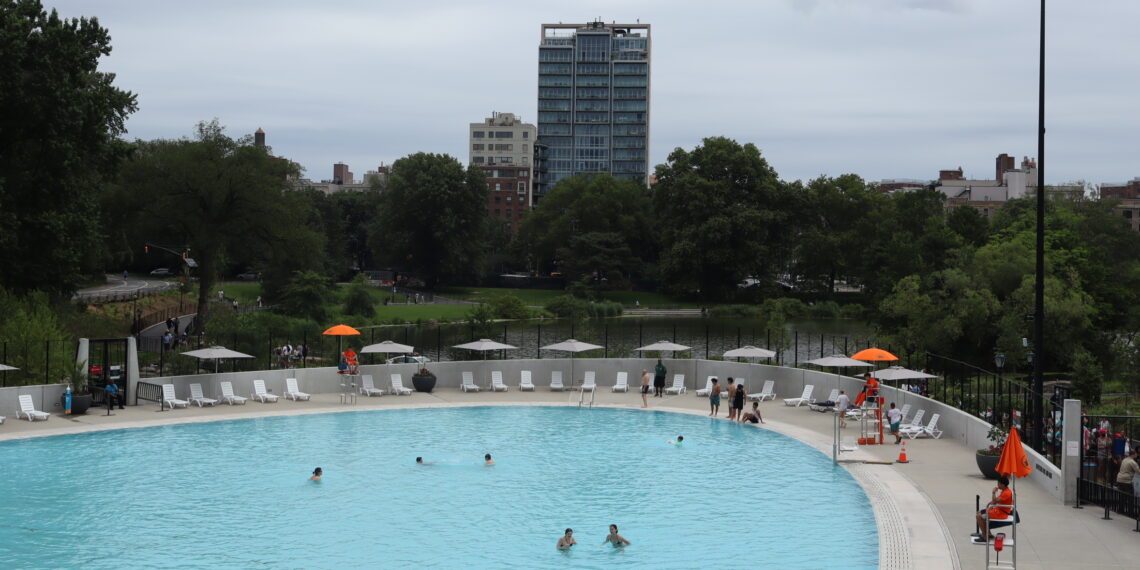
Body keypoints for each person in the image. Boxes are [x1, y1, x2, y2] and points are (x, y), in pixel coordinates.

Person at [973, 476, 1013, 543]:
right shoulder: (1005, 491)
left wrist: (993, 492)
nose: (997, 485)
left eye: (998, 484)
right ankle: (988, 534)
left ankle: (984, 537)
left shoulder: (1006, 493)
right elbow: (995, 501)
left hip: (1001, 513)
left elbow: (994, 501)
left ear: (1002, 485)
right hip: (997, 510)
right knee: (979, 512)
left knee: (979, 516)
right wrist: (991, 503)